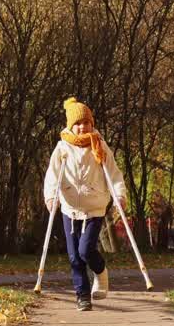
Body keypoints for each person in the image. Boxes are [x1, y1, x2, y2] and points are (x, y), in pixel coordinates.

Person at [43, 97, 127, 311]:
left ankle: (101, 272)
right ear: (71, 126)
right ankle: (82, 296)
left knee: (85, 250)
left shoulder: (99, 145)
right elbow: (52, 176)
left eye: (86, 123)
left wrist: (120, 195)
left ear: (92, 123)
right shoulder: (62, 148)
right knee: (74, 257)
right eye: (78, 124)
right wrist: (51, 196)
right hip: (69, 208)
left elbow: (114, 174)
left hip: (94, 207)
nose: (82, 127)